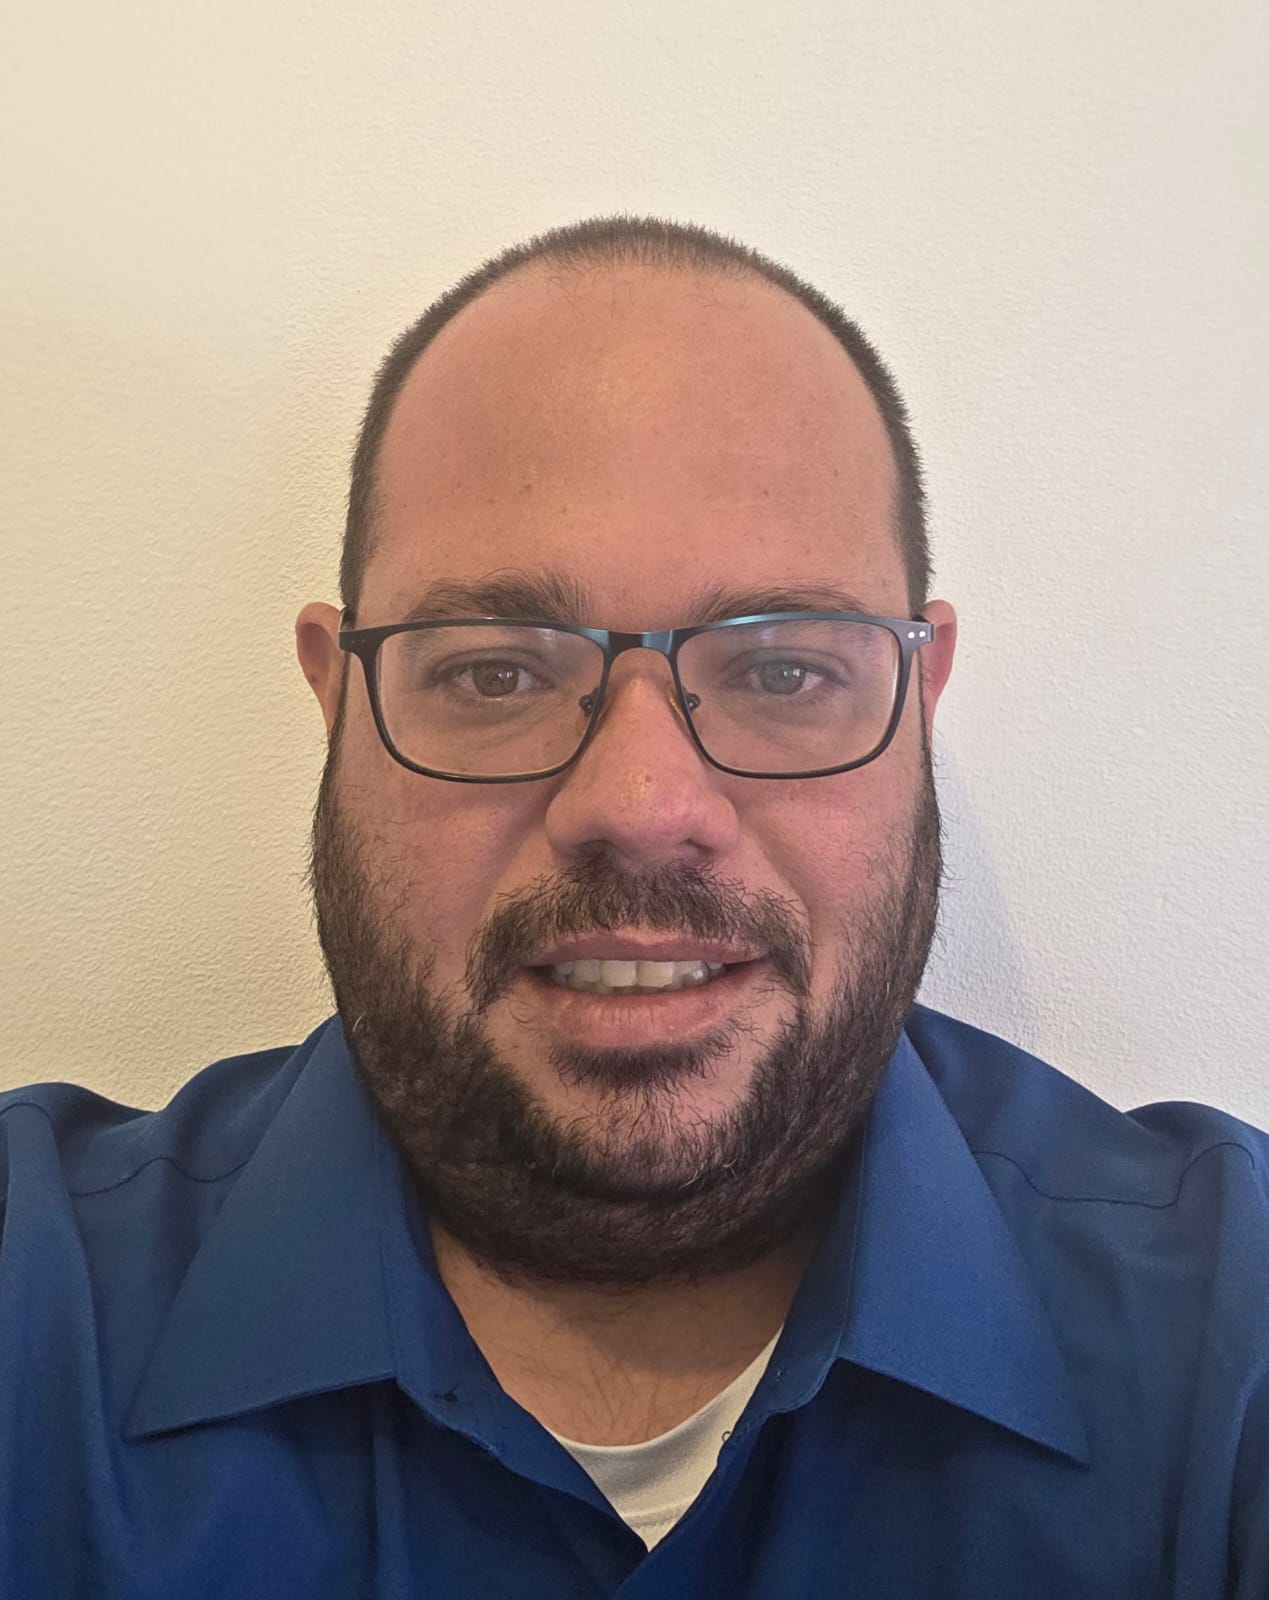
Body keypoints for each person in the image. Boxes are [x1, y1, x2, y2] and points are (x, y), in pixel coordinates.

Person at [1, 216, 1266, 1600]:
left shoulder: (1231, 1342)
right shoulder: (36, 1304)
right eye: (493, 673)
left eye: (782, 672)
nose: (643, 804)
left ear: (920, 695)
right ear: (336, 697)